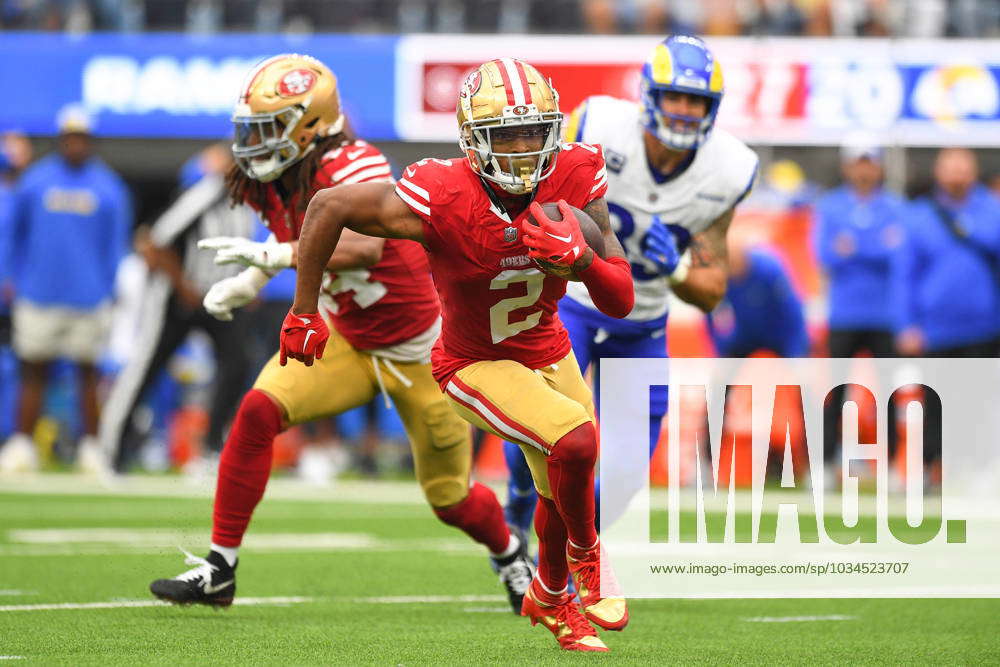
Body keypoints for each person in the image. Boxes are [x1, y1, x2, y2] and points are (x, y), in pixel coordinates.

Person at [149, 54, 533, 616]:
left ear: (311, 126)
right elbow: (298, 243)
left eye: (269, 126)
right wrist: (257, 274)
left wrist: (272, 258)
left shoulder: (354, 162)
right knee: (257, 413)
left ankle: (509, 550)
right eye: (252, 126)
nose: (254, 141)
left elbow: (364, 246)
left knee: (449, 497)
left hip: (422, 352)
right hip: (347, 338)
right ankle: (220, 569)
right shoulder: (277, 179)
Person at [283, 57, 635, 653]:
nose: (524, 148)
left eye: (535, 132)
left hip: (548, 347)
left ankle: (550, 600)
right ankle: (586, 554)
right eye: (508, 135)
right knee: (575, 442)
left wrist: (583, 262)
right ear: (475, 139)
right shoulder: (442, 194)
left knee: (559, 485)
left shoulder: (574, 174)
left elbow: (621, 297)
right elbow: (327, 208)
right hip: (472, 362)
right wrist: (304, 310)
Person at [502, 35, 758, 533]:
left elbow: (711, 290)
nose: (685, 111)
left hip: (640, 323)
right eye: (675, 97)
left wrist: (677, 269)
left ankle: (573, 553)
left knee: (622, 478)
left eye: (697, 101)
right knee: (541, 433)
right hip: (571, 304)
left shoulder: (729, 169)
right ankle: (517, 503)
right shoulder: (598, 125)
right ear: (650, 95)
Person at [98, 144, 255, 473]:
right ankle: (111, 450)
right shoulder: (204, 193)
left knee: (237, 364)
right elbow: (152, 240)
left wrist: (246, 282)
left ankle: (212, 449)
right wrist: (182, 285)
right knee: (147, 367)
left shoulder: (249, 201)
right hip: (179, 298)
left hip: (221, 297)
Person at [0, 106, 132, 474]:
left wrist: (107, 287)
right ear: (61, 139)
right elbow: (14, 234)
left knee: (88, 373)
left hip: (89, 296)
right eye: (71, 137)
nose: (76, 144)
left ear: (91, 142)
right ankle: (22, 444)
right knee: (32, 370)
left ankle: (91, 447)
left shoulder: (109, 188)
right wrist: (12, 277)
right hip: (38, 292)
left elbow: (115, 245)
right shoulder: (35, 182)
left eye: (83, 137)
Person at [894, 147, 1000, 358]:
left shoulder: (993, 210)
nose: (957, 173)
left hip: (986, 329)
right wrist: (906, 324)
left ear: (974, 171)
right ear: (938, 171)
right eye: (951, 168)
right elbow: (905, 274)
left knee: (981, 391)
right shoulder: (918, 215)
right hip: (935, 332)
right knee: (940, 391)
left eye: (962, 167)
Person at [706, 239, 809, 358]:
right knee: (723, 369)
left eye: (733, 261)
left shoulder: (769, 269)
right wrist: (718, 353)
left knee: (800, 364)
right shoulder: (717, 279)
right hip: (743, 334)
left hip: (779, 331)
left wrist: (797, 350)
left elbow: (792, 310)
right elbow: (709, 316)